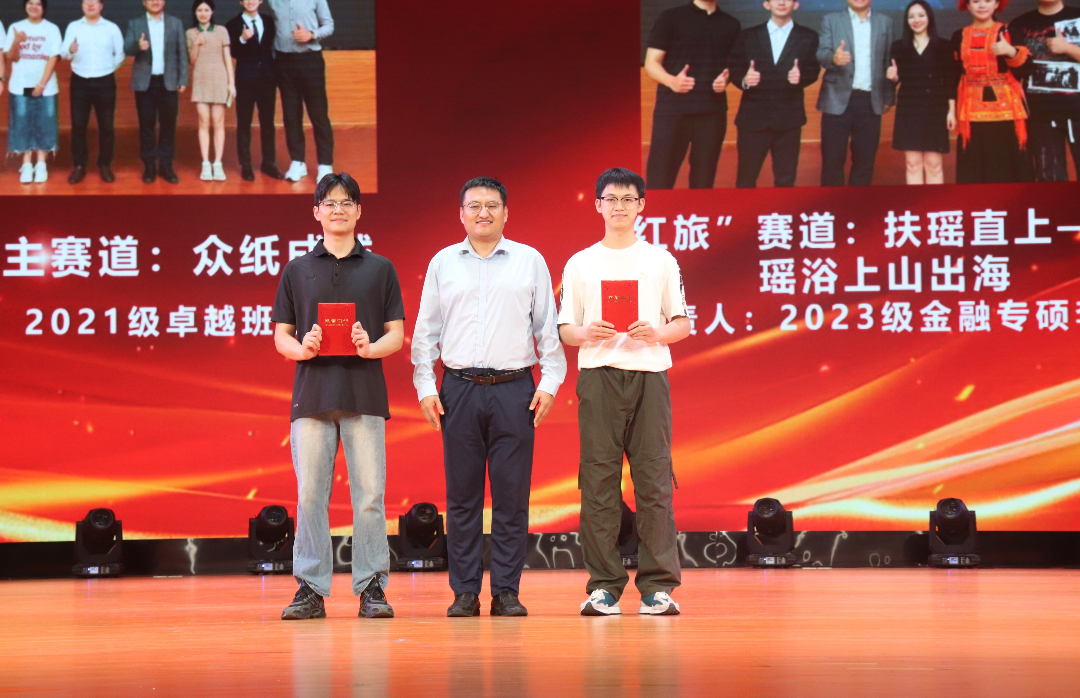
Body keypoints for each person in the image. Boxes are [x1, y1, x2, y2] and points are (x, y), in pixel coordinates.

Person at [412, 176, 566, 618]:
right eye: (474, 205)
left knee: (512, 497)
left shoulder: (529, 260)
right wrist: (426, 386)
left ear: (505, 213)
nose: (484, 212)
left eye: (492, 205)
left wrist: (549, 382)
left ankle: (506, 592)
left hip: (515, 390)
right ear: (461, 213)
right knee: (462, 498)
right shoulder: (443, 262)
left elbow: (547, 328)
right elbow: (426, 331)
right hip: (458, 389)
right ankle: (464, 592)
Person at [271, 172, 405, 620]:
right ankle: (310, 589)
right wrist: (303, 348)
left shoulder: (380, 268)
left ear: (359, 211)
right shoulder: (297, 269)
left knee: (369, 496)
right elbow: (281, 336)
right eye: (329, 202)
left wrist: (370, 347)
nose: (338, 209)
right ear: (316, 212)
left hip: (364, 395)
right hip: (312, 397)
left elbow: (396, 335)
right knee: (310, 495)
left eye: (347, 202)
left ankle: (372, 588)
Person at [558, 168, 690, 617]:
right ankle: (604, 587)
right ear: (597, 205)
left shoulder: (661, 260)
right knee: (598, 482)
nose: (619, 206)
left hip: (649, 375)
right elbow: (566, 329)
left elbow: (682, 323)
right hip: (599, 376)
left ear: (641, 206)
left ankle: (658, 587)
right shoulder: (580, 263)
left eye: (628, 199)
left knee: (654, 479)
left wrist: (657, 332)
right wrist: (585, 332)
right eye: (611, 199)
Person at [644, 0, 741, 189]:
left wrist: (727, 79)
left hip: (712, 112)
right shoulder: (671, 18)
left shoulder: (731, 24)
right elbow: (651, 62)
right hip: (673, 110)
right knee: (660, 178)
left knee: (703, 181)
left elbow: (733, 65)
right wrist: (671, 81)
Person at [728, 0, 820, 188]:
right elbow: (735, 68)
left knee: (786, 180)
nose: (781, 2)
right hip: (752, 120)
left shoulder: (808, 36)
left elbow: (813, 70)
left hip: (789, 121)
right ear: (766, 4)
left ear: (796, 5)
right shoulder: (748, 35)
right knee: (746, 178)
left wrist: (801, 77)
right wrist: (745, 79)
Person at [816, 0, 895, 186]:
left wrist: (888, 96)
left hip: (870, 100)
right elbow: (821, 54)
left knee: (865, 161)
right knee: (832, 160)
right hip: (836, 98)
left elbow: (889, 60)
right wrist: (833, 58)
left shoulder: (885, 22)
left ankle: (857, 203)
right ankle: (832, 203)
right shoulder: (831, 20)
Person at [953, 0, 1033, 183]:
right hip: (971, 111)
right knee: (974, 167)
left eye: (988, 1)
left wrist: (1010, 51)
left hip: (1007, 112)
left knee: (1005, 165)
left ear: (997, 4)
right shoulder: (959, 36)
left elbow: (1028, 70)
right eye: (976, 1)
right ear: (968, 5)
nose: (982, 6)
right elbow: (954, 74)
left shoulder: (1009, 31)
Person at [887, 0, 956, 184]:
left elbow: (950, 81)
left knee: (934, 164)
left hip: (936, 109)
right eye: (911, 16)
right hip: (909, 110)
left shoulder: (943, 46)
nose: (916, 20)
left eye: (921, 15)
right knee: (913, 164)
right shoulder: (899, 47)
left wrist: (951, 111)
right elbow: (896, 79)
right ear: (906, 21)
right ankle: (916, 201)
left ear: (929, 18)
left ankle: (934, 202)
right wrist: (893, 77)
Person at [1010, 0, 1080, 181]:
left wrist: (1068, 49)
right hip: (1041, 112)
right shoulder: (1019, 24)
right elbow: (1017, 71)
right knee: (1049, 177)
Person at [267, 0, 334, 182]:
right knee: (291, 115)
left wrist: (311, 34)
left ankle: (325, 165)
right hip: (283, 62)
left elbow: (329, 25)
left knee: (318, 115)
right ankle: (297, 162)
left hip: (310, 60)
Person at [62, 0, 125, 185]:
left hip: (105, 81)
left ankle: (104, 165)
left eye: (94, 2)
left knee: (106, 126)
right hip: (79, 81)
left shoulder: (112, 28)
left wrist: (107, 69)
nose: (90, 5)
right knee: (78, 125)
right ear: (82, 5)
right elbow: (64, 53)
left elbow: (120, 54)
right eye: (86, 2)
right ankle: (79, 165)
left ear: (101, 5)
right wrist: (70, 50)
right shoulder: (73, 27)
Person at [125, 0, 188, 184]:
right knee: (147, 126)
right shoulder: (135, 23)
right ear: (144, 3)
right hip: (145, 83)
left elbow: (182, 53)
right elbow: (127, 49)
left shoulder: (175, 23)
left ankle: (166, 166)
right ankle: (149, 166)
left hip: (168, 82)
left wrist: (183, 79)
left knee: (168, 125)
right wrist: (138, 46)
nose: (155, 1)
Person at [4, 0, 62, 184]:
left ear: (43, 7)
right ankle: (27, 164)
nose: (34, 7)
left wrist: (41, 84)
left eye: (38, 4)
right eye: (30, 3)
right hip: (21, 86)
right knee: (23, 122)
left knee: (44, 122)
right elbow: (11, 57)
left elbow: (54, 58)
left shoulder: (52, 29)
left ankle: (42, 163)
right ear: (25, 5)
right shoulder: (16, 27)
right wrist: (17, 42)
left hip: (45, 87)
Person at [226, 0, 283, 181]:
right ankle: (246, 165)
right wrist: (242, 39)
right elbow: (233, 52)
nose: (251, 1)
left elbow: (274, 47)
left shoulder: (269, 21)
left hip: (267, 79)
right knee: (244, 123)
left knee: (268, 123)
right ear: (241, 2)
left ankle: (269, 163)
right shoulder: (233, 24)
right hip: (245, 80)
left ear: (260, 1)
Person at [187, 0, 235, 181]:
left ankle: (218, 163)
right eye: (199, 10)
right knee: (203, 122)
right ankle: (206, 163)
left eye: (206, 10)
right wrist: (196, 44)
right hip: (201, 81)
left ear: (212, 12)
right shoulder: (190, 33)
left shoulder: (221, 31)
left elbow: (227, 58)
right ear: (195, 13)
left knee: (218, 122)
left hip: (219, 80)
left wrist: (231, 83)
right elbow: (192, 61)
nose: (203, 13)